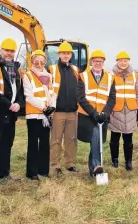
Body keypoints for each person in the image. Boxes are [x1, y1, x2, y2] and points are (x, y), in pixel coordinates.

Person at [0, 38, 25, 186]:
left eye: (12, 51)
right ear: (0, 50)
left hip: (12, 113)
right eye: (6, 50)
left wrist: (19, 104)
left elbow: (20, 91)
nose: (9, 53)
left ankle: (4, 173)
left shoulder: (16, 68)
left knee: (7, 144)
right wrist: (9, 104)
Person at [77, 50, 116, 177]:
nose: (97, 63)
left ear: (104, 62)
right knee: (95, 137)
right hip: (87, 114)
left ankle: (93, 169)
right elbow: (80, 97)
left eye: (100, 61)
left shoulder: (111, 77)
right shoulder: (83, 76)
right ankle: (96, 166)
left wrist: (105, 113)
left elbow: (112, 98)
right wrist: (94, 113)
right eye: (95, 61)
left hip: (103, 115)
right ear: (91, 62)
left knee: (97, 141)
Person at [47, 42, 80, 175]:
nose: (66, 55)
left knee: (71, 138)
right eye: (63, 53)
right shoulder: (52, 69)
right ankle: (55, 164)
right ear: (59, 54)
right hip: (58, 111)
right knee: (56, 138)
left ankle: (70, 163)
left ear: (71, 55)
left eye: (68, 53)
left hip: (73, 111)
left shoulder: (75, 70)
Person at [23, 50, 56, 180]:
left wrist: (52, 106)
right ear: (32, 62)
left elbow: (52, 93)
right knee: (33, 144)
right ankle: (32, 172)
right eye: (36, 62)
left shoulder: (49, 76)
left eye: (42, 62)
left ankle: (43, 170)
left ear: (45, 62)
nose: (39, 64)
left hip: (46, 116)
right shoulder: (28, 75)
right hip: (34, 115)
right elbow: (29, 96)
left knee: (44, 143)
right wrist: (44, 107)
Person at [108, 51, 138, 171]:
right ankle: (115, 160)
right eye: (121, 60)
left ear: (128, 62)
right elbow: (107, 94)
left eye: (125, 61)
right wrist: (107, 111)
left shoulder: (134, 75)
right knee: (114, 138)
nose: (123, 63)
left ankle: (128, 162)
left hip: (130, 111)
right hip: (115, 111)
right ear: (117, 61)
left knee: (128, 139)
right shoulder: (110, 75)